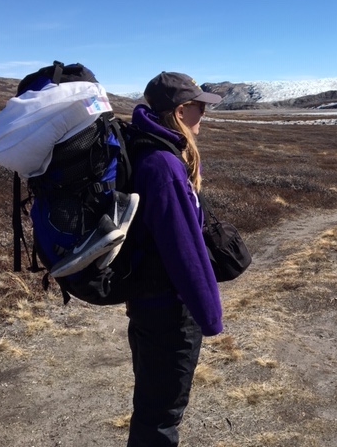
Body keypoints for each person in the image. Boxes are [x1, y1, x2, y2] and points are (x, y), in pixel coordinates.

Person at [125, 71, 224, 446]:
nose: (204, 118)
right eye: (200, 109)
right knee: (161, 416)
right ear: (182, 111)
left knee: (153, 407)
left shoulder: (150, 151)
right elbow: (185, 250)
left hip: (150, 305)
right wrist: (210, 316)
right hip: (169, 311)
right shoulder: (163, 165)